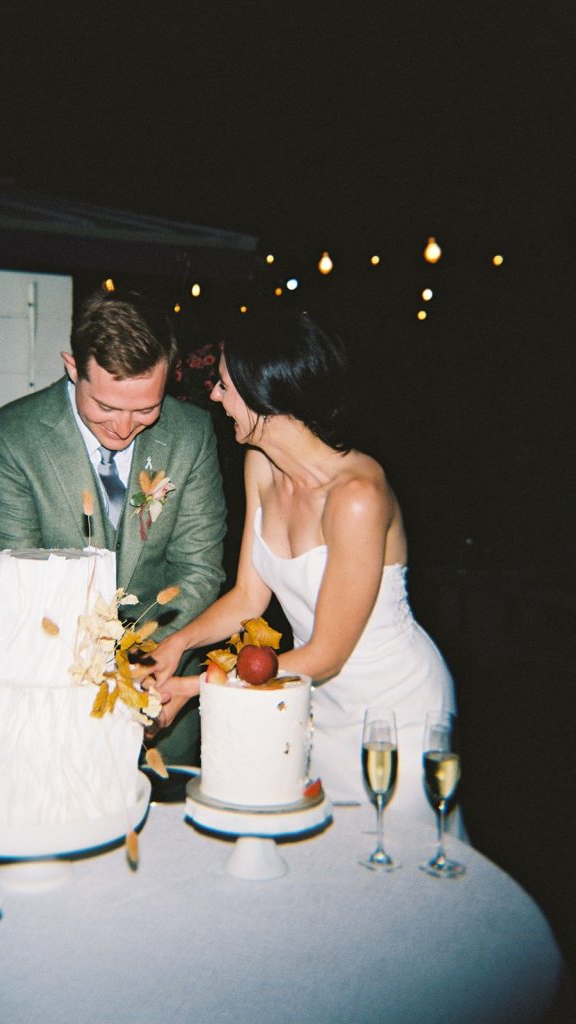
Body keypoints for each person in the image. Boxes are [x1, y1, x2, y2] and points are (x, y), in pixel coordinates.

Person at [150, 308, 458, 828]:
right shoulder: (261, 467)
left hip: (394, 712)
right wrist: (176, 645)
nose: (216, 396)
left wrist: (199, 686)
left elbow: (327, 653)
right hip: (312, 698)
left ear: (263, 392)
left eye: (224, 385)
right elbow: (249, 596)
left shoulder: (357, 495)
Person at [0, 288, 227, 765]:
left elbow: (199, 568)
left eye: (145, 409)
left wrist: (146, 664)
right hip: (55, 708)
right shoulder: (7, 442)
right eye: (106, 407)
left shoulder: (191, 433)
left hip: (163, 706)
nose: (124, 428)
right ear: (72, 367)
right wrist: (105, 672)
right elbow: (25, 589)